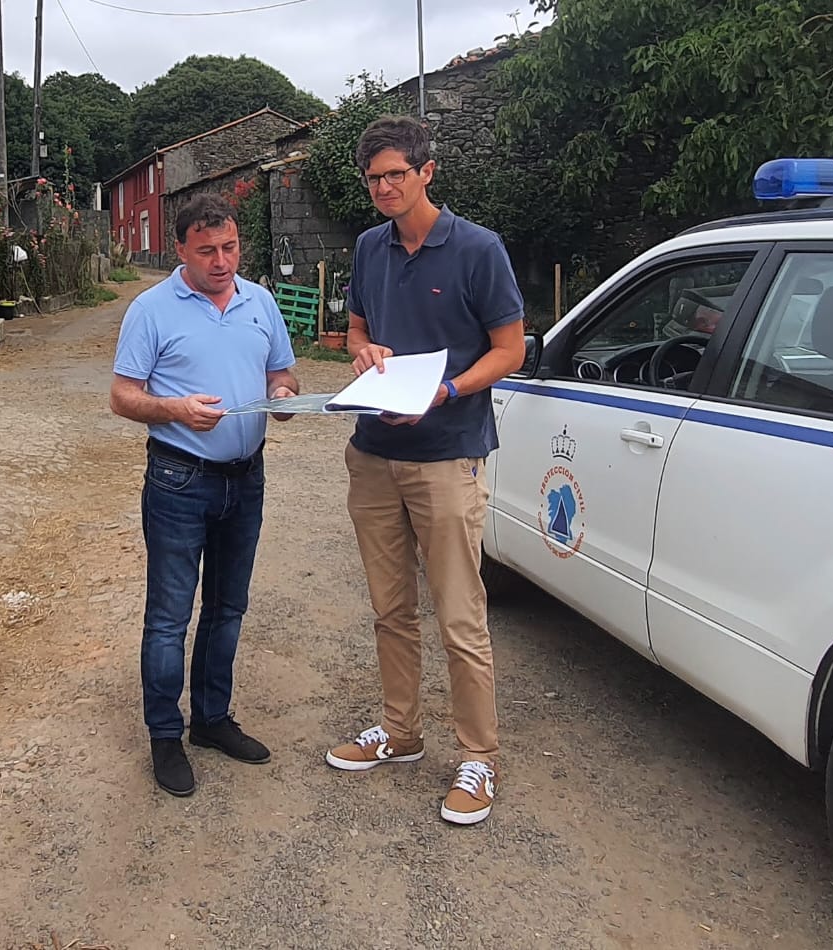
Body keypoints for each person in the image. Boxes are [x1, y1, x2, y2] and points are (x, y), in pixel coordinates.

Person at [324, 116, 526, 827]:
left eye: (395, 175)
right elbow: (354, 327)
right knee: (390, 610)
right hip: (374, 453)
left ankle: (479, 756)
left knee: (460, 615)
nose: (383, 188)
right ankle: (400, 731)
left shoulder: (477, 249)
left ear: (427, 172)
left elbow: (511, 350)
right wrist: (363, 352)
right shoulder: (369, 247)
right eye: (374, 177)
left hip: (446, 454)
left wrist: (445, 392)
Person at [110, 193, 300, 797]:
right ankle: (165, 735)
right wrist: (172, 409)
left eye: (230, 248)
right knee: (169, 618)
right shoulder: (151, 309)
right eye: (207, 250)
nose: (222, 262)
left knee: (228, 607)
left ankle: (212, 720)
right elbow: (122, 396)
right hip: (179, 478)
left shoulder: (259, 301)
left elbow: (282, 372)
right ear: (180, 249)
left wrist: (285, 394)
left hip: (247, 477)